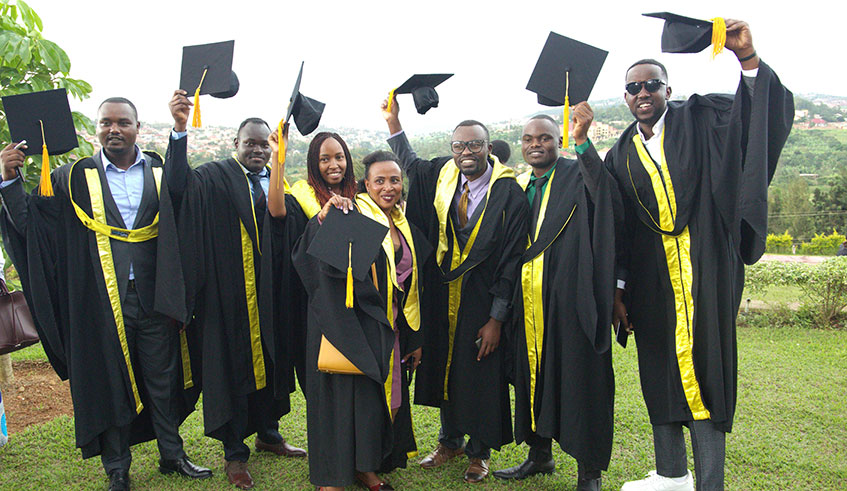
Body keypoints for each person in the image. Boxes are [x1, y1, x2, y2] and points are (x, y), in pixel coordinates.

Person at [606, 20, 793, 490]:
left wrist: (747, 60)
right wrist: (620, 288)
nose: (642, 92)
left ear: (668, 88)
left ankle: (711, 484)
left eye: (651, 84)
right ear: (625, 98)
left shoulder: (703, 118)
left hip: (707, 268)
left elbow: (755, 127)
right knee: (658, 373)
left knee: (707, 375)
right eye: (633, 88)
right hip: (652, 283)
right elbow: (620, 227)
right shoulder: (620, 152)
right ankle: (671, 476)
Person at [0, 97, 210, 491]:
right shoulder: (72, 177)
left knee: (163, 379)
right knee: (109, 381)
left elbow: (185, 201)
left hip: (155, 297)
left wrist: (179, 130)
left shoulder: (161, 171)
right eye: (106, 123)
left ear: (137, 127)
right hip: (100, 301)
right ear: (96, 129)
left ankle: (172, 453)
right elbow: (35, 228)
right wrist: (10, 181)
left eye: (123, 123)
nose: (114, 129)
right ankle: (117, 467)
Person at [381, 96, 529, 483]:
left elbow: (513, 258)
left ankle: (479, 452)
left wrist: (497, 317)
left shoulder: (509, 192)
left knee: (481, 368)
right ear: (452, 149)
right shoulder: (443, 176)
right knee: (447, 363)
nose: (467, 152)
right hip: (444, 292)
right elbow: (411, 166)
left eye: (474, 145)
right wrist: (394, 123)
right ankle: (450, 441)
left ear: (489, 147)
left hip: (484, 294)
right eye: (459, 146)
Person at [166, 91, 306, 490]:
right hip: (226, 297)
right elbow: (177, 189)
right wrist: (179, 131)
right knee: (229, 369)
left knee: (273, 362)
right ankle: (234, 452)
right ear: (236, 144)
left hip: (271, 296)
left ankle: (269, 433)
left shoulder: (279, 181)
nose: (258, 150)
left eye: (265, 144)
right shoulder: (213, 176)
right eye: (251, 143)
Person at [288, 144, 428, 490]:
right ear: (365, 184)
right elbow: (314, 258)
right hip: (343, 327)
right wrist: (324, 218)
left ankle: (366, 469)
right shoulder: (352, 213)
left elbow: (411, 283)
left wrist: (412, 337)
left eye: (394, 180)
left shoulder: (401, 222)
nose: (388, 188)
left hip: (385, 329)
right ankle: (331, 477)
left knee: (368, 403)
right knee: (335, 401)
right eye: (379, 181)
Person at [492, 109, 616, 490]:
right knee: (533, 380)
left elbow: (603, 192)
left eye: (544, 137)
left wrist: (583, 141)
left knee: (580, 383)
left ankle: (588, 473)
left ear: (557, 141)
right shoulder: (518, 186)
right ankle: (539, 455)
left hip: (571, 303)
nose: (535, 145)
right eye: (528, 139)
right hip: (528, 305)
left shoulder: (577, 174)